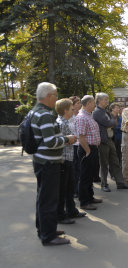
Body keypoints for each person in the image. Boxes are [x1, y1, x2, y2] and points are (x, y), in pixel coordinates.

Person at [31, 82, 76, 246]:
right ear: (49, 96)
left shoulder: (35, 111)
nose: (56, 98)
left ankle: (44, 229)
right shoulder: (46, 115)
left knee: (42, 198)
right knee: (49, 200)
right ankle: (48, 235)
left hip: (41, 160)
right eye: (56, 95)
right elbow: (51, 142)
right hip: (49, 162)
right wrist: (68, 139)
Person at [93, 93, 128, 192]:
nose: (107, 101)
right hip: (103, 141)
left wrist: (111, 122)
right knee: (104, 163)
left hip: (110, 139)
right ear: (99, 101)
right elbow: (108, 123)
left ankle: (120, 183)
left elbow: (112, 123)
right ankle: (104, 184)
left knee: (115, 161)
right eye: (105, 99)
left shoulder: (105, 111)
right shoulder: (97, 112)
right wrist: (111, 122)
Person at [55, 98, 86, 225]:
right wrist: (70, 139)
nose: (74, 111)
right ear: (65, 110)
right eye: (72, 109)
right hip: (63, 159)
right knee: (63, 189)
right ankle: (61, 215)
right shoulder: (60, 123)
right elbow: (57, 142)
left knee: (69, 187)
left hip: (68, 158)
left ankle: (71, 210)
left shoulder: (66, 121)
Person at [74, 95, 102, 210]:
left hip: (92, 148)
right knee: (85, 176)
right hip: (87, 149)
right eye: (93, 102)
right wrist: (88, 151)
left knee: (90, 175)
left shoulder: (88, 116)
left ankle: (90, 197)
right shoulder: (82, 117)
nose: (95, 105)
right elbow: (80, 136)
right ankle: (84, 202)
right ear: (88, 103)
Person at [69, 96, 81, 196]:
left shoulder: (80, 114)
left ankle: (78, 188)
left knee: (79, 168)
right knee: (74, 168)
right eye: (78, 103)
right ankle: (73, 190)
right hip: (73, 145)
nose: (80, 105)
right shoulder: (69, 116)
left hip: (80, 144)